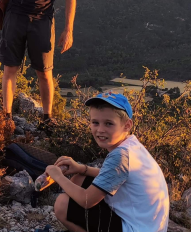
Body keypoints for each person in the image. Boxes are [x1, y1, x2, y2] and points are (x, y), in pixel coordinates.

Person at [46, 92, 169, 231]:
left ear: (127, 125)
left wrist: (57, 176)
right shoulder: (131, 145)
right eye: (95, 122)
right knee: (80, 178)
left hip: (135, 227)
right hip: (145, 223)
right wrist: (82, 169)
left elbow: (87, 200)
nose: (100, 130)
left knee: (62, 204)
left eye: (109, 124)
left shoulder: (120, 156)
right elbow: (115, 175)